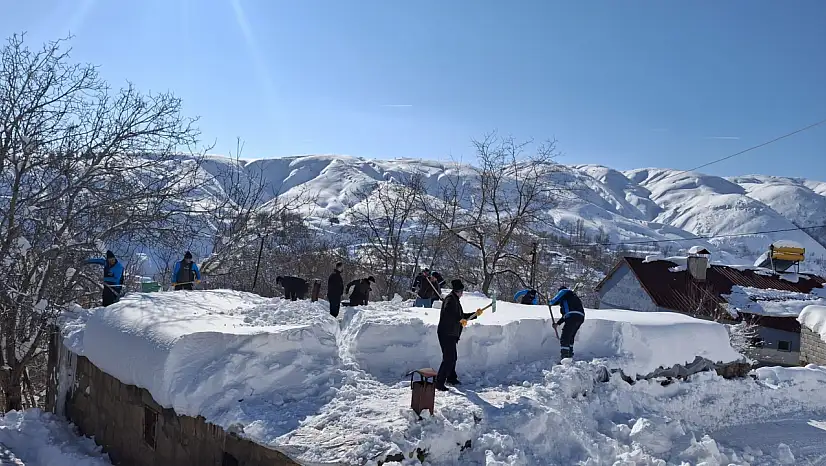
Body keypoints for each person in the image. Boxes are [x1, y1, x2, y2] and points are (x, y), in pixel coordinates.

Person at [435, 279, 483, 391]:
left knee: (452, 357)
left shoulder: (455, 300)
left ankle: (451, 378)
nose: (462, 294)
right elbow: (448, 313)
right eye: (462, 291)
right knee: (449, 358)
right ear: (459, 291)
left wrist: (475, 314)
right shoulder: (450, 299)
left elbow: (460, 315)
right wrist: (459, 320)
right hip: (446, 333)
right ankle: (439, 382)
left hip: (451, 333)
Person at [549, 286, 585, 359]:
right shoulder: (571, 298)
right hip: (580, 317)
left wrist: (550, 302)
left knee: (564, 338)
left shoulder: (564, 291)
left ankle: (565, 358)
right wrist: (558, 323)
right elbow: (566, 315)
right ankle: (570, 355)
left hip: (572, 316)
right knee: (570, 337)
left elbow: (554, 301)